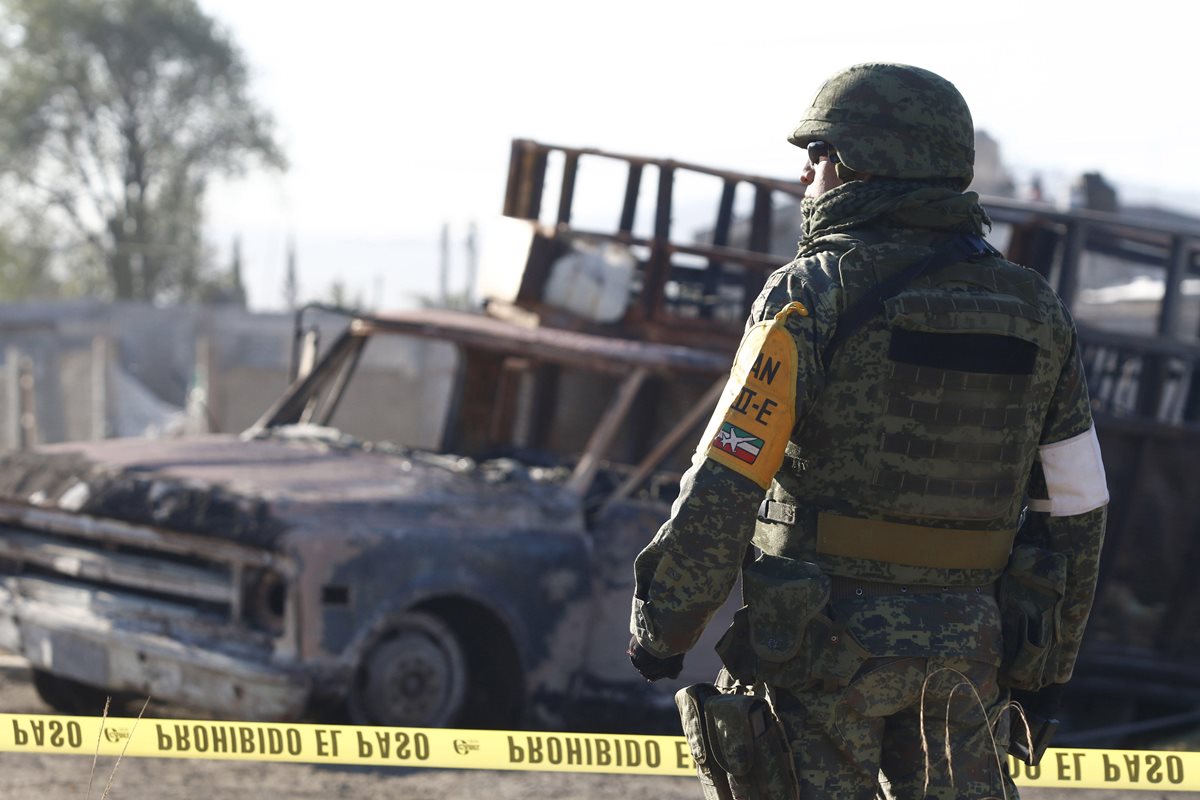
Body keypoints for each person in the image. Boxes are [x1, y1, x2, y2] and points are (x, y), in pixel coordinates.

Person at [627, 63, 1108, 800]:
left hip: (817, 652)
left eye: (818, 155)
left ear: (861, 164)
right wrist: (1048, 672)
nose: (805, 176)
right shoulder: (1036, 310)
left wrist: (665, 627)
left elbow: (729, 474)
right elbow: (1076, 511)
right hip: (966, 657)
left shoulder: (810, 292)